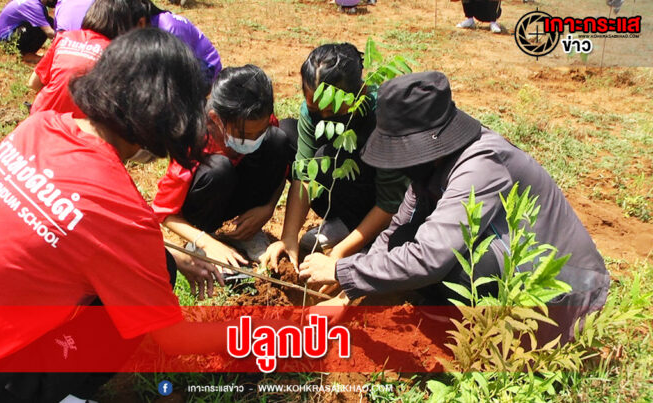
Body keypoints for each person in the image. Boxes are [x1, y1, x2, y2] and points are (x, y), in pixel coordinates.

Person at [0, 29, 231, 403]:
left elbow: (71, 231)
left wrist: (173, 254)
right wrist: (295, 323)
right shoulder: (120, 211)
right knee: (134, 305)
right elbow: (178, 339)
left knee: (161, 264)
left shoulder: (40, 126)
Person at [298, 71, 610, 343]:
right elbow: (396, 230)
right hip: (523, 274)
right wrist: (347, 295)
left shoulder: (480, 163)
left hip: (564, 295)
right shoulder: (428, 167)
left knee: (473, 259)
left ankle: (488, 332)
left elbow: (431, 257)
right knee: (410, 233)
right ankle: (453, 313)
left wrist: (342, 269)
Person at [261, 43, 410, 270]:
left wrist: (339, 253)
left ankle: (359, 234)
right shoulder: (311, 114)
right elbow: (303, 175)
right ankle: (342, 223)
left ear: (360, 92)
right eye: (315, 109)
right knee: (287, 134)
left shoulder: (383, 119)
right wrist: (289, 236)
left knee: (326, 156)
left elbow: (391, 203)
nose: (323, 117)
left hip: (384, 200)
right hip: (343, 189)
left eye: (332, 110)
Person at [153, 65, 292, 266]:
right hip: (206, 201)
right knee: (219, 168)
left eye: (259, 132)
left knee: (277, 140)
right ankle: (202, 243)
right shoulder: (193, 138)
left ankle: (246, 233)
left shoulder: (261, 121)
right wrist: (206, 242)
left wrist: (268, 207)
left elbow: (281, 170)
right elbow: (164, 212)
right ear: (216, 119)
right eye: (245, 134)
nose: (254, 138)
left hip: (238, 194)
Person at [27, 0, 134, 117]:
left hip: (40, 116)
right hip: (76, 125)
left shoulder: (64, 37)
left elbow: (33, 83)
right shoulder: (114, 52)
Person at [130, 0, 221, 83]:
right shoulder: (150, 26)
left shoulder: (169, 28)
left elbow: (177, 70)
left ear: (141, 22)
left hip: (206, 70)